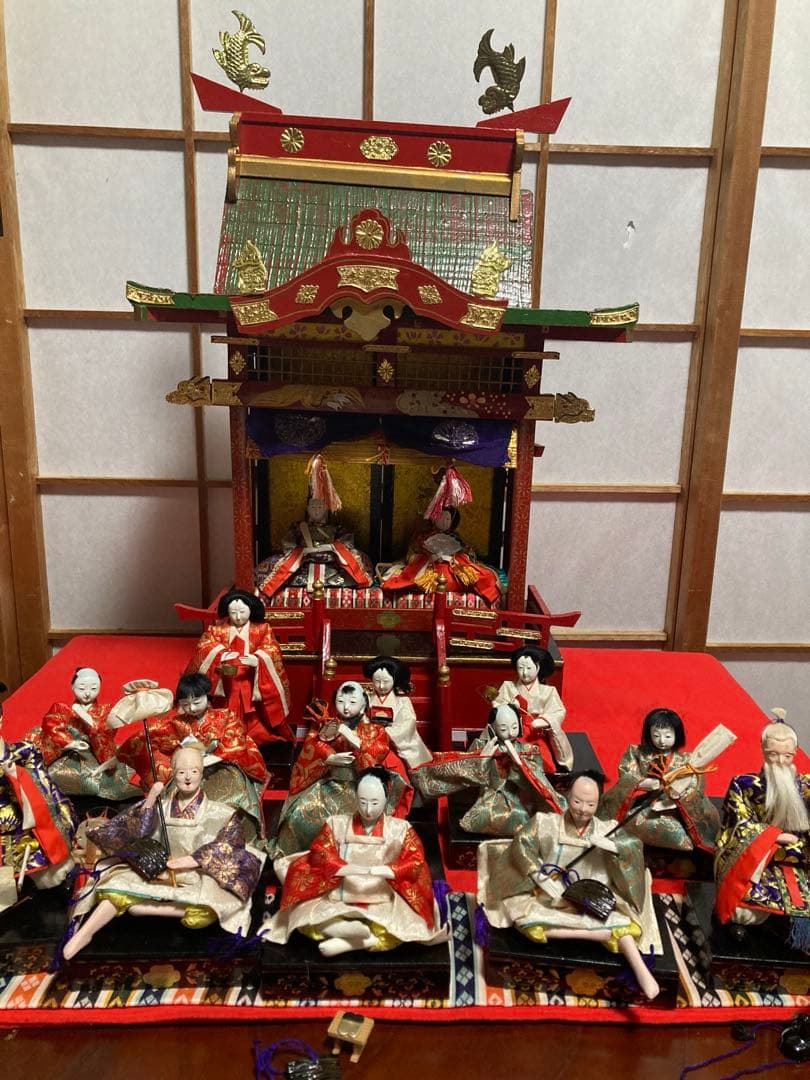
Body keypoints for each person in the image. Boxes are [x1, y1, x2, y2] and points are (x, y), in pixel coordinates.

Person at [63, 744, 264, 960]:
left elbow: (231, 844)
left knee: (212, 908)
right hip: (158, 870)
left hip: (197, 874)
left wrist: (193, 860)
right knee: (113, 887)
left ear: (202, 773)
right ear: (173, 773)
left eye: (194, 771)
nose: (188, 777)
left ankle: (146, 908)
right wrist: (151, 799)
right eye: (181, 772)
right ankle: (84, 933)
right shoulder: (163, 806)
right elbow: (137, 830)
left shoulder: (220, 812)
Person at [478, 772, 660, 1000]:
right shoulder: (546, 824)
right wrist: (538, 875)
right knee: (526, 919)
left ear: (598, 803)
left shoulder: (607, 829)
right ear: (567, 797)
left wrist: (614, 847)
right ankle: (598, 935)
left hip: (590, 899)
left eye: (590, 804)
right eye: (577, 801)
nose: (583, 809)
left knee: (624, 925)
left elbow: (632, 846)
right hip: (551, 898)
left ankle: (641, 970)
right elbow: (522, 845)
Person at [263, 766, 448, 955]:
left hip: (382, 893)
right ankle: (341, 929)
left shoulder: (399, 829)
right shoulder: (337, 823)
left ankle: (355, 942)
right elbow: (320, 852)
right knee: (303, 917)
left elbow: (415, 861)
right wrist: (341, 867)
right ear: (355, 796)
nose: (368, 810)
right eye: (362, 801)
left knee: (403, 926)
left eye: (375, 803)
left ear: (386, 797)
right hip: (341, 889)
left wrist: (390, 870)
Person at [111, 673, 268, 841]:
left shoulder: (226, 716)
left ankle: (230, 840)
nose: (192, 708)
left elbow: (235, 746)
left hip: (222, 768)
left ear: (207, 696)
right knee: (171, 800)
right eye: (185, 704)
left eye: (197, 702)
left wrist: (206, 759)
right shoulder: (178, 722)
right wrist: (118, 756)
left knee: (231, 799)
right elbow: (146, 736)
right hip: (188, 771)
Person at [274, 682, 410, 856]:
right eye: (340, 701)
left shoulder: (376, 730)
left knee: (355, 824)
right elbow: (312, 746)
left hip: (359, 789)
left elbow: (374, 755)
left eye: (352, 702)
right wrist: (330, 758)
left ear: (363, 705)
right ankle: (304, 857)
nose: (346, 707)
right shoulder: (326, 726)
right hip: (330, 784)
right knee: (298, 815)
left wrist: (347, 733)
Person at [714, 719, 810, 935]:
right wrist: (773, 836)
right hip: (760, 858)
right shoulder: (743, 784)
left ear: (795, 753)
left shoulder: (805, 786)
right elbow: (738, 825)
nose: (780, 761)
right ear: (763, 751)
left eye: (787, 756)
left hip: (800, 856)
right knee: (742, 911)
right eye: (773, 755)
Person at [411, 703, 562, 837]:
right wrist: (482, 759)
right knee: (482, 815)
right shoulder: (481, 745)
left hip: (515, 797)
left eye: (515, 727)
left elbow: (535, 782)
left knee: (522, 817)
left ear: (520, 725)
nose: (510, 733)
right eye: (504, 728)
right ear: (492, 728)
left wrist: (519, 764)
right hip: (489, 796)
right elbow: (469, 773)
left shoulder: (528, 750)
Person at [600, 708, 721, 852]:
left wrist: (678, 795)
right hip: (646, 803)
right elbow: (627, 773)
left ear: (677, 735)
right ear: (649, 734)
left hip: (676, 809)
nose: (662, 741)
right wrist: (642, 783)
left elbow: (696, 785)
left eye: (668, 736)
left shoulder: (687, 760)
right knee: (628, 821)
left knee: (685, 833)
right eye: (656, 735)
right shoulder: (638, 753)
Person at [185, 588, 292, 744]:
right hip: (226, 682)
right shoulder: (218, 630)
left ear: (250, 610)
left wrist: (258, 659)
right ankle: (225, 733)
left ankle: (253, 734)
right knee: (225, 711)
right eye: (233, 613)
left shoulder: (262, 629)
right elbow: (204, 646)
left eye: (242, 612)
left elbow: (272, 649)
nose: (238, 617)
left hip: (251, 679)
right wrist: (221, 655)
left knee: (254, 716)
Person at [0, 681, 76, 889]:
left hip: (21, 824)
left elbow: (45, 788)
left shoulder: (23, 752)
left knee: (52, 878)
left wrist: (16, 775)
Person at [36, 667, 141, 800]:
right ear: (72, 687)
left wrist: (87, 718)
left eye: (93, 688)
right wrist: (70, 743)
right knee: (51, 775)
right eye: (81, 688)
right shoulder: (61, 709)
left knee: (108, 779)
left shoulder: (105, 711)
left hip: (94, 754)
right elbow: (51, 726)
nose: (87, 693)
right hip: (68, 752)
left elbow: (105, 734)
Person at [255, 495, 374, 599]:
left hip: (332, 563)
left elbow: (347, 543)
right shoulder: (298, 527)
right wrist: (303, 550)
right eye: (313, 507)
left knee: (360, 558)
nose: (316, 511)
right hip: (303, 563)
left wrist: (330, 547)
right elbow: (288, 543)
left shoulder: (336, 528)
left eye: (320, 507)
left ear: (326, 508)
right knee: (272, 563)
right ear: (307, 509)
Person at [379, 506, 503, 606]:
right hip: (429, 567)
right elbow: (412, 553)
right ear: (433, 518)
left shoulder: (455, 537)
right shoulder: (423, 536)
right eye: (440, 517)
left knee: (474, 574)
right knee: (414, 573)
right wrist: (429, 556)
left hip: (451, 568)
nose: (444, 521)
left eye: (447, 519)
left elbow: (467, 553)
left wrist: (453, 557)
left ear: (452, 522)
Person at [493, 646, 572, 770]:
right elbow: (497, 705)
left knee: (541, 762)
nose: (524, 673)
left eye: (529, 668)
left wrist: (544, 720)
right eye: (520, 668)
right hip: (511, 731)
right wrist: (509, 708)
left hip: (535, 734)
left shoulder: (548, 691)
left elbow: (558, 711)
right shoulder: (508, 686)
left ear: (538, 667)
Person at [362, 656, 431, 769]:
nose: (381, 686)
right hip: (371, 742)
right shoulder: (366, 699)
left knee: (396, 765)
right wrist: (370, 730)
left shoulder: (403, 701)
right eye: (377, 681)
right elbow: (361, 719)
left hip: (394, 743)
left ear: (394, 680)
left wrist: (385, 733)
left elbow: (408, 723)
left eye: (386, 681)